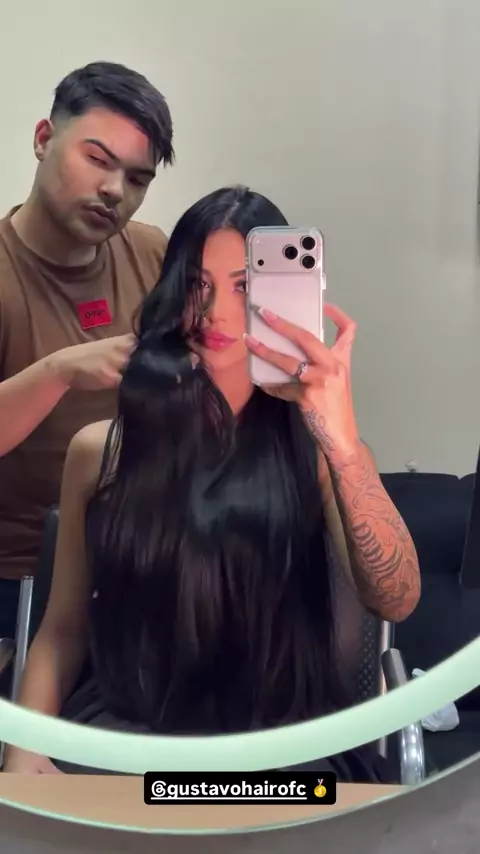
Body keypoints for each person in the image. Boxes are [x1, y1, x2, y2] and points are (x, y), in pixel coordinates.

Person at [3, 186, 421, 778]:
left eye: (245, 286)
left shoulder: (322, 456)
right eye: (198, 285)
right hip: (127, 740)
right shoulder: (102, 451)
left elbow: (396, 599)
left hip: (286, 751)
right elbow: (63, 628)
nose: (215, 311)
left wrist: (343, 443)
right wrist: (24, 749)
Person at [0, 61, 173, 639]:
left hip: (134, 558)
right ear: (43, 139)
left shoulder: (151, 253)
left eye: (138, 179)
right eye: (98, 159)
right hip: (17, 577)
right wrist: (59, 371)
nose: (115, 191)